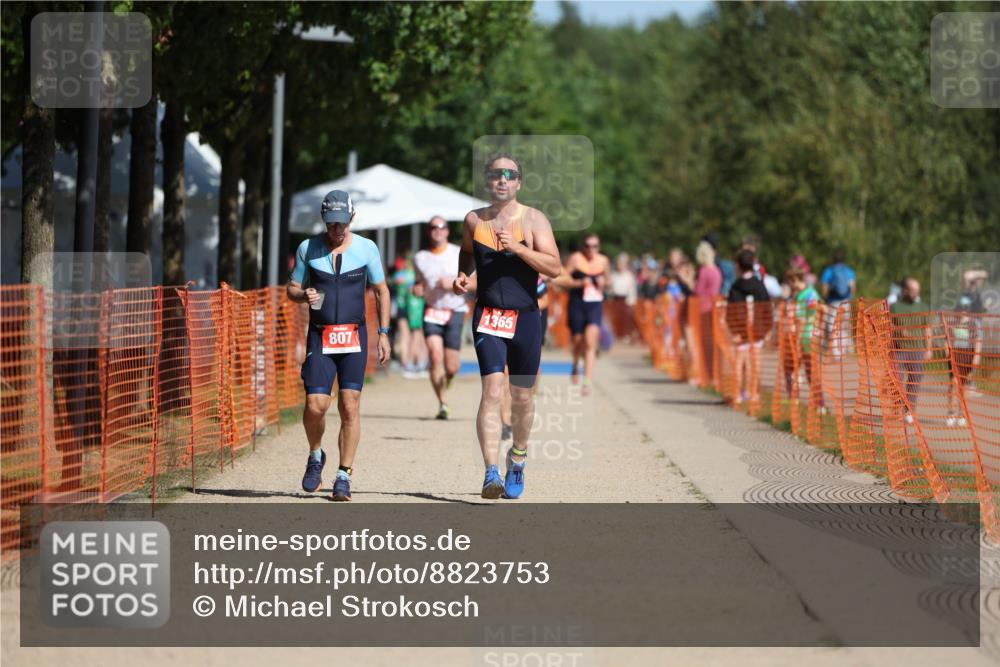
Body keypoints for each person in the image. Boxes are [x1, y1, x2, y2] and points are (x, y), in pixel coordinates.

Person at [454, 153, 561, 499]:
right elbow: (467, 251)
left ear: (518, 182)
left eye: (509, 174)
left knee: (522, 398)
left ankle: (518, 457)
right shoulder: (474, 220)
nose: (502, 179)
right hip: (488, 317)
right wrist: (463, 274)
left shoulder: (533, 220)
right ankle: (491, 472)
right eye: (496, 174)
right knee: (492, 392)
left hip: (526, 317)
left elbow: (554, 267)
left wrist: (517, 247)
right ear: (487, 181)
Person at [287, 190, 391, 501]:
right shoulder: (308, 248)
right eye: (332, 224)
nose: (337, 230)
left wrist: (384, 333)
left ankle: (344, 475)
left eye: (342, 223)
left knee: (349, 405)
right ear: (324, 220)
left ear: (352, 219)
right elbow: (292, 288)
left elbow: (381, 291)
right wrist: (302, 294)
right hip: (320, 335)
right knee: (315, 405)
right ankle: (316, 454)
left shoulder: (366, 248)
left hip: (353, 337)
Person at [413, 217, 468, 419]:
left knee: (452, 365)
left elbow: (471, 280)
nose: (438, 230)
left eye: (442, 227)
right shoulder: (420, 257)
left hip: (455, 310)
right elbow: (419, 282)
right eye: (433, 227)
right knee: (435, 356)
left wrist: (454, 283)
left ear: (447, 231)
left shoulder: (457, 253)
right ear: (429, 232)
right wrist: (417, 288)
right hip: (432, 310)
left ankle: (450, 376)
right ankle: (443, 404)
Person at [558, 233, 611, 394]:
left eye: (594, 246)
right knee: (578, 340)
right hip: (577, 304)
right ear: (583, 247)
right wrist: (580, 282)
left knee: (590, 342)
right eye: (588, 246)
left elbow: (609, 282)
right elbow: (561, 280)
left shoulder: (603, 261)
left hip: (594, 305)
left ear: (599, 247)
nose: (591, 249)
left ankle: (587, 381)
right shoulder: (575, 259)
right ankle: (575, 363)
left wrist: (604, 283)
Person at [727, 249, 772, 406]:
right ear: (753, 265)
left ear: (738, 266)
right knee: (756, 363)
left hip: (741, 330)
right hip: (758, 330)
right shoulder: (760, 286)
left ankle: (738, 394)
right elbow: (767, 308)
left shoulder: (735, 287)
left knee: (739, 363)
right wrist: (767, 329)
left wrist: (734, 331)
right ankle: (754, 394)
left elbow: (730, 312)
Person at [888, 278, 932, 424]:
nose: (916, 293)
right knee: (896, 380)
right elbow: (889, 327)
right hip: (899, 349)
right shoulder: (895, 306)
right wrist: (900, 331)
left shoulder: (923, 307)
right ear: (905, 290)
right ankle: (897, 406)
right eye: (913, 290)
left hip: (917, 350)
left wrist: (929, 348)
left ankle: (909, 411)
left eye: (917, 290)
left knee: (914, 382)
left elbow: (928, 328)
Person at [784, 266, 825, 413]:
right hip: (800, 336)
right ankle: (795, 399)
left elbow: (816, 312)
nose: (790, 286)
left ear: (796, 280)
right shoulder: (799, 295)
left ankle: (820, 403)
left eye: (791, 282)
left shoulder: (810, 294)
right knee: (794, 369)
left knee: (811, 370)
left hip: (808, 336)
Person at [819, 250, 857, 357]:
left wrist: (826, 298)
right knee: (844, 326)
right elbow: (853, 287)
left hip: (833, 301)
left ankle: (836, 352)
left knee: (832, 325)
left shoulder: (829, 271)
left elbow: (824, 288)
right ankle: (844, 350)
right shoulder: (849, 271)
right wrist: (849, 298)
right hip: (846, 301)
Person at [694, 241, 722, 382]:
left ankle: (708, 374)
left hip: (704, 308)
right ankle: (714, 374)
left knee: (704, 343)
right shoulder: (716, 270)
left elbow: (698, 291)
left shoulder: (704, 271)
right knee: (713, 343)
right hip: (714, 307)